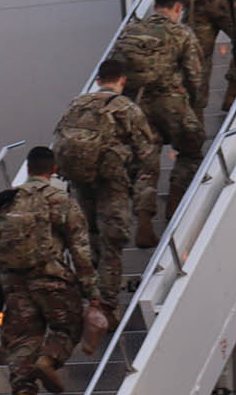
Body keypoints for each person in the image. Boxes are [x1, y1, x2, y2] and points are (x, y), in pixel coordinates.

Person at [0, 146, 99, 395]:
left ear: (28, 169)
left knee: (22, 341)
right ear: (53, 170)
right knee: (67, 324)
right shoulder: (59, 200)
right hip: (50, 276)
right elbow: (80, 249)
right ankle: (49, 360)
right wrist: (91, 292)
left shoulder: (3, 203)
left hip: (13, 284)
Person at [53, 60, 160, 313]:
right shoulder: (126, 107)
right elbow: (145, 151)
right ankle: (108, 307)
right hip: (112, 183)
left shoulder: (76, 104)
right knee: (112, 243)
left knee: (88, 240)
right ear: (122, 81)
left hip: (79, 181)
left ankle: (90, 299)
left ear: (98, 80)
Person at [111, 0, 206, 209]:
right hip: (171, 102)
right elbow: (194, 75)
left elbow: (116, 67)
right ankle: (175, 200)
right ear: (178, 7)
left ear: (155, 7)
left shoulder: (129, 31)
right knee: (192, 148)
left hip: (138, 105)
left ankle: (144, 215)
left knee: (146, 161)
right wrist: (195, 103)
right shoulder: (181, 33)